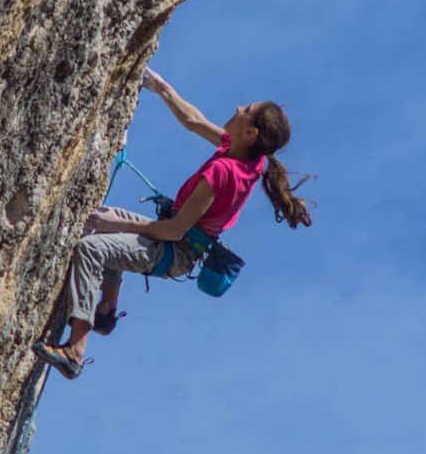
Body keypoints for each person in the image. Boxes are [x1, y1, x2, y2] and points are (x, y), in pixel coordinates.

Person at [33, 68, 313, 379]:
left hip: (174, 250)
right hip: (173, 239)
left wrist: (122, 225)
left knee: (90, 247)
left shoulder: (224, 173)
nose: (238, 109)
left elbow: (174, 230)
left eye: (246, 111)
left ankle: (75, 352)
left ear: (251, 134)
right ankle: (107, 309)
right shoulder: (246, 157)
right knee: (101, 220)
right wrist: (161, 87)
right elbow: (194, 121)